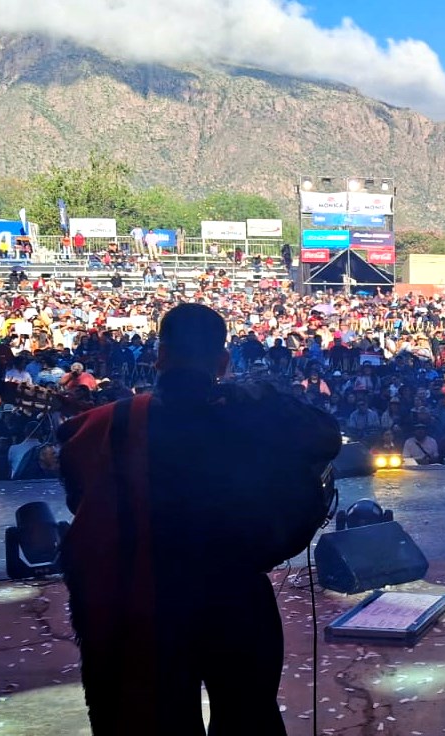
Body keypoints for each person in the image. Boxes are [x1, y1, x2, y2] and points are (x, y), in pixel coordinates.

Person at [57, 303, 340, 734]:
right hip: (237, 595)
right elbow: (327, 438)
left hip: (149, 601)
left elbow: (83, 502)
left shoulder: (114, 424)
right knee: (248, 717)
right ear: (222, 362)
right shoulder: (250, 415)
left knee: (160, 722)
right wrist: (260, 399)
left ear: (159, 355)